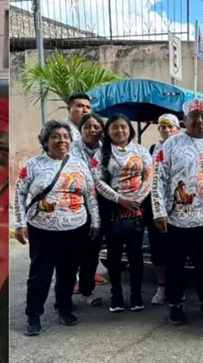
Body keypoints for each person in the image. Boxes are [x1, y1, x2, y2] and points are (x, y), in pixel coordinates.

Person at [13, 120, 100, 336]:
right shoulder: (33, 165)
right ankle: (33, 315)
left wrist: (95, 222)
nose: (61, 140)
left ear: (71, 141)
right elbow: (19, 193)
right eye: (55, 136)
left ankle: (64, 308)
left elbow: (90, 194)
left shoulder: (79, 165)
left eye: (65, 137)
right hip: (42, 230)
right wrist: (19, 223)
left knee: (68, 272)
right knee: (39, 274)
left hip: (75, 228)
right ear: (45, 141)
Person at [151, 97, 203, 324]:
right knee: (175, 266)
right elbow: (157, 179)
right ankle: (175, 304)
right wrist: (159, 211)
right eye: (194, 117)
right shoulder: (171, 145)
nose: (200, 121)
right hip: (177, 220)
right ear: (185, 120)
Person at [92, 113, 153, 312]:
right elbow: (98, 181)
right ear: (108, 131)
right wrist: (120, 199)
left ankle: (136, 295)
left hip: (137, 210)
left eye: (123, 127)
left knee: (136, 256)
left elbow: (149, 177)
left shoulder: (141, 151)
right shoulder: (100, 154)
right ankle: (116, 295)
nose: (120, 131)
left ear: (130, 130)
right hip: (112, 210)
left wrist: (136, 200)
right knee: (114, 256)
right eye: (115, 127)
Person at [71, 113, 106, 307]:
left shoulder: (106, 150)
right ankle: (65, 292)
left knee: (92, 251)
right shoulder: (72, 151)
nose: (93, 130)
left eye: (96, 127)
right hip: (75, 205)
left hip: (100, 205)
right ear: (80, 130)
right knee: (72, 251)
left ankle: (86, 290)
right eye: (88, 127)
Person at [146, 113, 179, 305]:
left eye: (170, 127)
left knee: (175, 250)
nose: (167, 131)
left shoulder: (182, 147)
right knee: (158, 248)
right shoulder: (153, 149)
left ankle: (176, 286)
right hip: (156, 206)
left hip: (176, 207)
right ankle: (161, 286)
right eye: (163, 127)